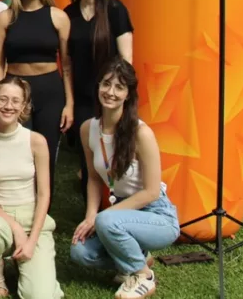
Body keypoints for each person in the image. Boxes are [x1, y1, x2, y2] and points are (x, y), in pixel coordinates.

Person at [70, 59, 179, 299]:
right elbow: (93, 179)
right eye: (106, 84)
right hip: (119, 216)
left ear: (128, 94)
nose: (110, 92)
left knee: (108, 221)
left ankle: (141, 275)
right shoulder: (88, 128)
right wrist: (90, 217)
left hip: (156, 214)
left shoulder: (141, 133)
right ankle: (137, 256)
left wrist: (103, 217)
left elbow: (151, 191)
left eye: (119, 87)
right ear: (98, 85)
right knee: (79, 251)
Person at [0, 76, 62, 299]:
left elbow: (44, 194)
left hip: (32, 219)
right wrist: (15, 228)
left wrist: (30, 240)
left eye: (15, 101)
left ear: (24, 106)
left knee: (39, 295)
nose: (8, 106)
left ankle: (33, 265)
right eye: (2, 99)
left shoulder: (36, 141)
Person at [0, 0, 72, 193]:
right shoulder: (5, 18)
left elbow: (66, 65)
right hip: (16, 91)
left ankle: (44, 211)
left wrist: (70, 104)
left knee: (45, 151)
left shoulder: (58, 17)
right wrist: (0, 96)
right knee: (18, 151)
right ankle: (19, 204)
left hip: (51, 91)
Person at [66, 0, 134, 199]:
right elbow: (67, 63)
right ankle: (91, 212)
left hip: (112, 96)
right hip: (83, 97)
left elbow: (127, 60)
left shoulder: (116, 9)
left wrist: (120, 94)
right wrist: (69, 101)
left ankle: (122, 207)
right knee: (89, 156)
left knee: (117, 152)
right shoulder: (68, 15)